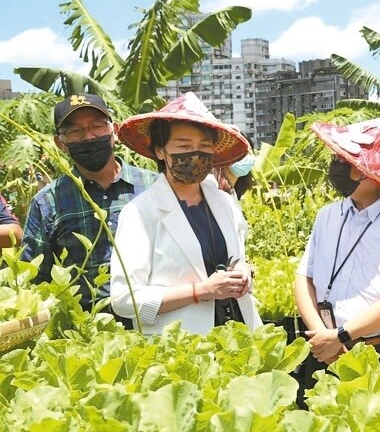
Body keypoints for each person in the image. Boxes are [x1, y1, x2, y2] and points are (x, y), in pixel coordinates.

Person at [109, 93, 261, 335]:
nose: (195, 154)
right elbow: (124, 299)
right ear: (160, 151)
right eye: (184, 146)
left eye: (204, 146)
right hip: (180, 346)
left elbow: (236, 258)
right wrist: (200, 291)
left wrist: (244, 271)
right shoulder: (140, 213)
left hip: (238, 335)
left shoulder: (222, 200)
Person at [22, 94, 157, 319]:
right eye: (75, 131)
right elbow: (34, 278)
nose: (88, 137)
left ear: (113, 131)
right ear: (60, 143)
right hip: (86, 332)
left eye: (97, 126)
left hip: (154, 320)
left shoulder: (154, 187)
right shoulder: (47, 202)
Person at [296, 118, 380, 365]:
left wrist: (342, 336)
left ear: (368, 172)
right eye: (336, 159)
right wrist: (323, 336)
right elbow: (304, 277)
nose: (336, 167)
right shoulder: (328, 215)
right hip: (322, 347)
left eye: (345, 161)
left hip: (378, 351)